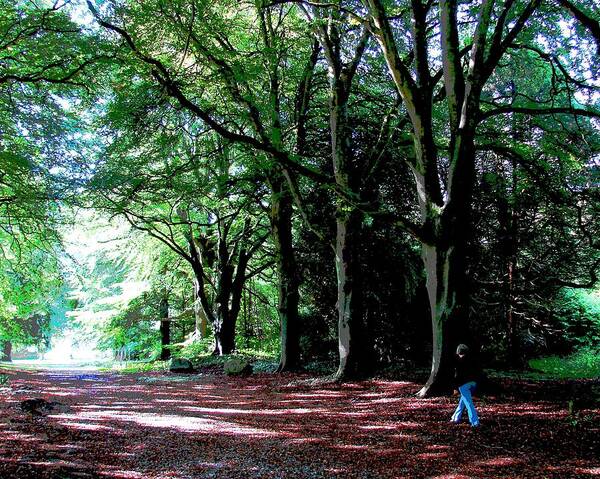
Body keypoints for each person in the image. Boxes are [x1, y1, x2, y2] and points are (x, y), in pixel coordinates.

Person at [451, 343, 480, 427]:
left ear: (458, 352)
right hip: (473, 383)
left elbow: (457, 376)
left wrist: (455, 388)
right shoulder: (473, 361)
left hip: (464, 385)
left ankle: (475, 422)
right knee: (463, 401)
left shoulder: (459, 362)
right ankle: (455, 417)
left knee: (468, 404)